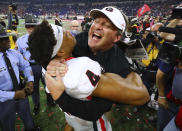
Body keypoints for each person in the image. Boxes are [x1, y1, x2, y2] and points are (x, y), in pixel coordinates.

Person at [28, 6, 149, 130]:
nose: (97, 26)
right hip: (74, 113)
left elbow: (97, 110)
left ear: (117, 37)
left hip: (88, 117)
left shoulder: (117, 60)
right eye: (96, 21)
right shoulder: (81, 39)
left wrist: (60, 97)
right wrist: (50, 62)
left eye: (107, 25)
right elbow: (49, 47)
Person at [29, 20, 112, 131]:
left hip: (72, 117)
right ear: (61, 52)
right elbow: (105, 101)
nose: (69, 32)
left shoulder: (48, 69)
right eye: (66, 34)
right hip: (92, 125)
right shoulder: (81, 67)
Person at [0, 25, 38, 131]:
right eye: (3, 39)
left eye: (7, 37)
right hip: (3, 100)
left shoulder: (13, 53)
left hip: (21, 92)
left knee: (27, 116)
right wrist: (13, 95)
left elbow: (26, 66)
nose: (8, 40)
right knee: (7, 124)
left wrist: (30, 81)